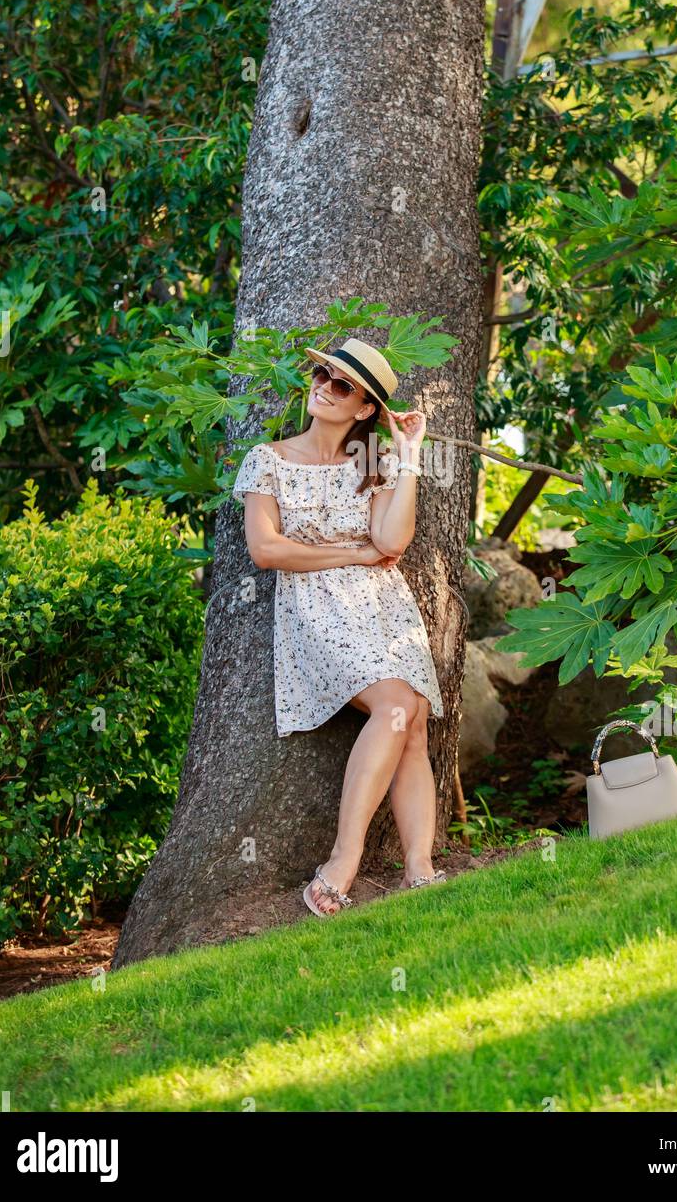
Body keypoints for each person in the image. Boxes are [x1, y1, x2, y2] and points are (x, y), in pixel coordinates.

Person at [233, 337, 446, 917]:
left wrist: (410, 455)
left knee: (414, 719)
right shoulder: (268, 459)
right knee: (397, 704)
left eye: (342, 385)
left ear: (365, 409)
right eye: (324, 374)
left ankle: (420, 869)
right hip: (317, 606)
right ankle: (342, 861)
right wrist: (349, 556)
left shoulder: (371, 464)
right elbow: (267, 549)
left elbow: (392, 541)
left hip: (382, 605)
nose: (324, 387)